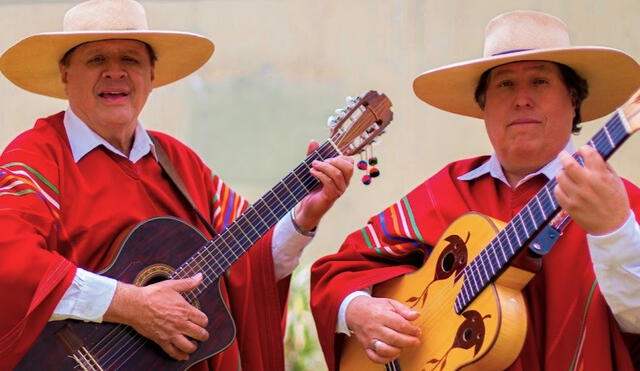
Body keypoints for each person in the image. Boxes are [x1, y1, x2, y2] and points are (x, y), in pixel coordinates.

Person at [0, 0, 354, 370]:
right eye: (96, 59)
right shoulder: (37, 157)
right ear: (65, 73)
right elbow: (10, 264)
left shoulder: (180, 162)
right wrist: (131, 305)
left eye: (131, 60)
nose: (115, 72)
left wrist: (302, 218)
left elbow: (250, 264)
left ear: (151, 75)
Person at [311, 10, 640, 370]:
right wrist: (358, 309)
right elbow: (338, 272)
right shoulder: (448, 187)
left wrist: (614, 231)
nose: (522, 99)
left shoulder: (620, 203)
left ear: (573, 100)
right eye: (504, 84)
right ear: (483, 107)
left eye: (540, 82)